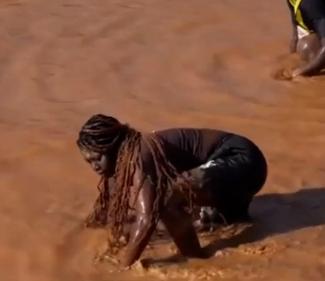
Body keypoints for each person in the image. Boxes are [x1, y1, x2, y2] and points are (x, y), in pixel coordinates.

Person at [77, 114, 268, 267]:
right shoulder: (124, 158)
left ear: (114, 147)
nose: (95, 166)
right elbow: (110, 205)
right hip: (236, 172)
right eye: (89, 161)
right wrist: (87, 229)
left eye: (98, 158)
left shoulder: (139, 154)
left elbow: (147, 218)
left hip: (241, 161)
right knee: (211, 223)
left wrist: (124, 268)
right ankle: (232, 216)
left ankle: (195, 259)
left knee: (166, 199)